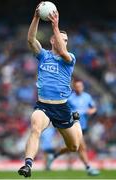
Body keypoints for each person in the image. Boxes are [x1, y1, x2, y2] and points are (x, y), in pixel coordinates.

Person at [18, 2, 82, 178]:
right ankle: (28, 165)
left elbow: (62, 51)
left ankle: (75, 121)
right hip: (44, 106)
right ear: (53, 39)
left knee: (74, 147)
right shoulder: (44, 55)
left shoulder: (69, 58)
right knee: (35, 128)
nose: (64, 42)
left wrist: (55, 25)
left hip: (62, 108)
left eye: (67, 40)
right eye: (62, 38)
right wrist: (36, 17)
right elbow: (31, 39)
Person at [47, 79, 100, 176]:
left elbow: (93, 108)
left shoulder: (87, 97)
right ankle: (89, 168)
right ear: (74, 87)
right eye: (77, 86)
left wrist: (90, 111)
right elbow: (62, 110)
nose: (79, 88)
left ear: (83, 87)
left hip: (83, 125)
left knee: (72, 147)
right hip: (73, 125)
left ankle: (53, 155)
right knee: (82, 146)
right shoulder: (70, 98)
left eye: (80, 86)